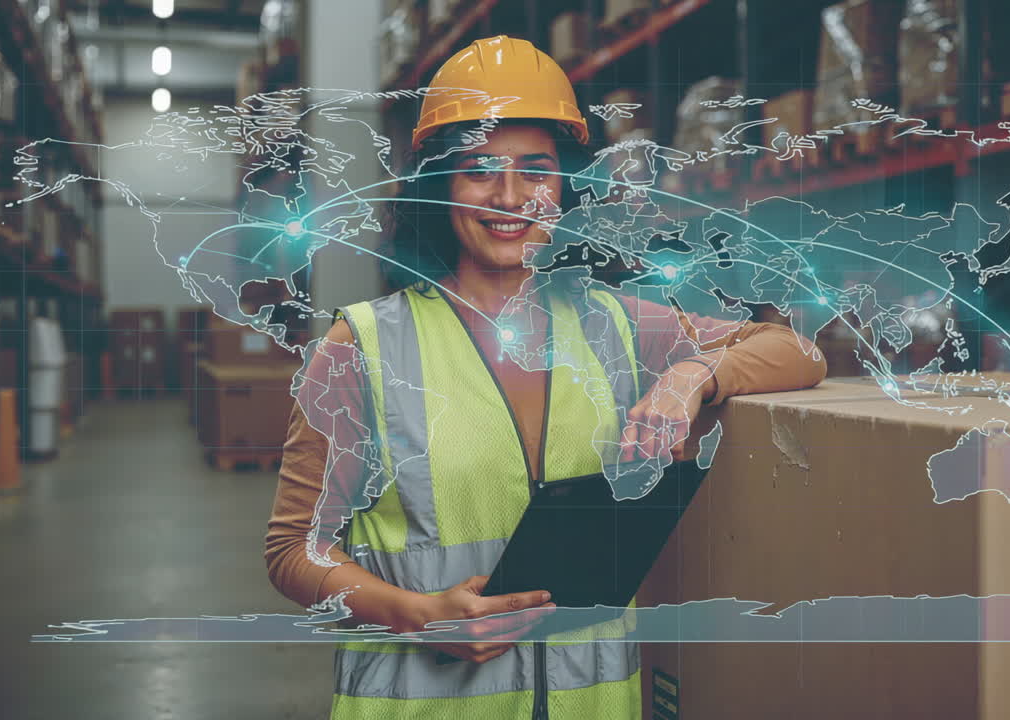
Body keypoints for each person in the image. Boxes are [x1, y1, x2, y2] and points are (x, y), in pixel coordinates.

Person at [265, 35, 828, 719]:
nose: (510, 197)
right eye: (479, 171)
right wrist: (416, 612)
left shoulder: (614, 326)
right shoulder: (365, 347)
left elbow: (796, 350)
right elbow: (295, 550)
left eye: (536, 170)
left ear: (567, 185)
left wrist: (690, 377)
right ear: (440, 185)